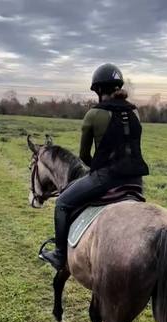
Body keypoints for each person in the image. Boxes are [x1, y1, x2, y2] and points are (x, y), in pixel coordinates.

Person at [40, 63, 149, 270]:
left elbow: (83, 155)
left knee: (62, 203)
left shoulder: (93, 114)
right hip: (136, 181)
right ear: (118, 87)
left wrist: (96, 168)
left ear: (98, 90)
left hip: (106, 179)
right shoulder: (135, 112)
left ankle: (60, 255)